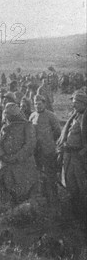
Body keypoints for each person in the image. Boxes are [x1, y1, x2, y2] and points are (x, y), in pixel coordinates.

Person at [0, 103, 38, 205]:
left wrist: (16, 157)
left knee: (23, 187)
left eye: (10, 115)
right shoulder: (5, 126)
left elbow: (30, 145)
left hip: (22, 164)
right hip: (6, 162)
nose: (7, 117)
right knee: (9, 187)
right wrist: (2, 155)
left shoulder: (27, 126)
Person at [57, 90, 87, 221]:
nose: (73, 105)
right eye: (73, 103)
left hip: (79, 157)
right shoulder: (75, 116)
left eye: (76, 103)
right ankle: (75, 215)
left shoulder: (85, 117)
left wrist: (82, 154)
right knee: (70, 184)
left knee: (81, 186)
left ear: (83, 103)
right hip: (68, 155)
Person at [30, 95, 61, 202]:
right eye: (35, 104)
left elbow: (57, 131)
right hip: (36, 150)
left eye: (39, 104)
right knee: (38, 172)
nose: (37, 106)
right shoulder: (32, 116)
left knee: (50, 173)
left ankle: (54, 197)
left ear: (44, 104)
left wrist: (48, 140)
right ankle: (43, 194)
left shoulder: (51, 115)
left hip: (48, 150)